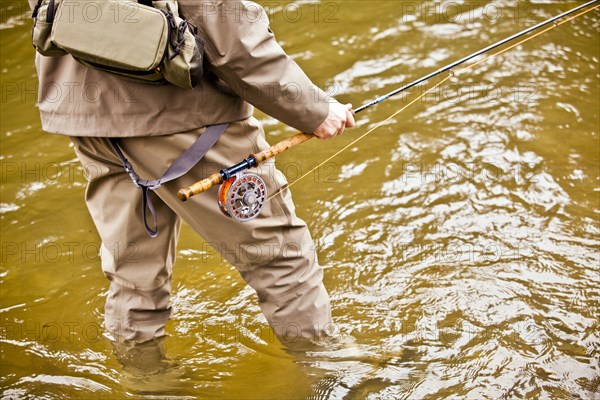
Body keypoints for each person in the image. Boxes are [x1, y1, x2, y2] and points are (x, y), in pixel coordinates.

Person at [30, 0, 355, 345]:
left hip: (85, 116)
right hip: (181, 119)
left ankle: (146, 383)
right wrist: (314, 108)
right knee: (279, 257)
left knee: (133, 275)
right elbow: (231, 35)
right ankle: (333, 377)